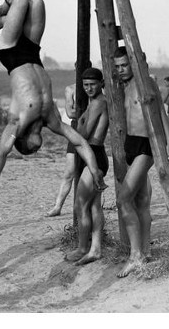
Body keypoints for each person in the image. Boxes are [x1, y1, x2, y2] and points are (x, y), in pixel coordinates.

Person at [0, 0, 104, 206]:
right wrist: (95, 171)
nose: (37, 148)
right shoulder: (52, 120)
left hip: (10, 52)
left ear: (23, 142)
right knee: (37, 2)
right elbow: (80, 142)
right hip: (32, 52)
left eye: (32, 149)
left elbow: (1, 153)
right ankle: (4, 21)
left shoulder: (16, 125)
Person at [113, 47, 169, 278]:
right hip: (131, 143)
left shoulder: (145, 82)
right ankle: (146, 250)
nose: (120, 70)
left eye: (124, 65)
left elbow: (160, 110)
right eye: (117, 66)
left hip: (145, 145)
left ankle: (135, 256)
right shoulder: (124, 84)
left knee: (123, 199)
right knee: (140, 200)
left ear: (133, 64)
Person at [64, 67, 109, 265]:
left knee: (80, 204)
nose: (89, 88)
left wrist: (70, 128)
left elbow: (84, 132)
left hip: (94, 155)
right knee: (93, 205)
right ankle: (96, 248)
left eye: (92, 84)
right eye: (85, 85)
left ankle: (83, 247)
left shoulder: (99, 102)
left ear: (102, 84)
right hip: (92, 154)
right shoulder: (94, 102)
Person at [46, 83, 79, 217]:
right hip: (76, 131)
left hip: (92, 133)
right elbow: (71, 113)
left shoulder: (94, 86)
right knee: (69, 173)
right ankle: (57, 206)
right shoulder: (70, 89)